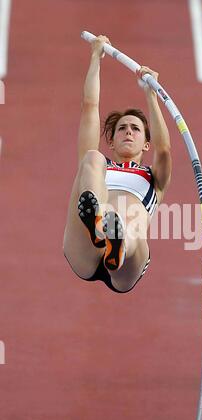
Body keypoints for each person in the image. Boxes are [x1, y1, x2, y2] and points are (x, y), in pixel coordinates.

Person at [63, 35, 172, 293]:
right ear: (111, 141)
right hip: (84, 248)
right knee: (91, 157)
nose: (128, 132)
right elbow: (90, 107)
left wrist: (152, 95)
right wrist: (95, 58)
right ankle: (99, 222)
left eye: (135, 129)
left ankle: (118, 241)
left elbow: (165, 149)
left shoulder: (153, 178)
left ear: (146, 144)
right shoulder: (100, 165)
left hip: (127, 262)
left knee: (127, 221)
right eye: (122, 129)